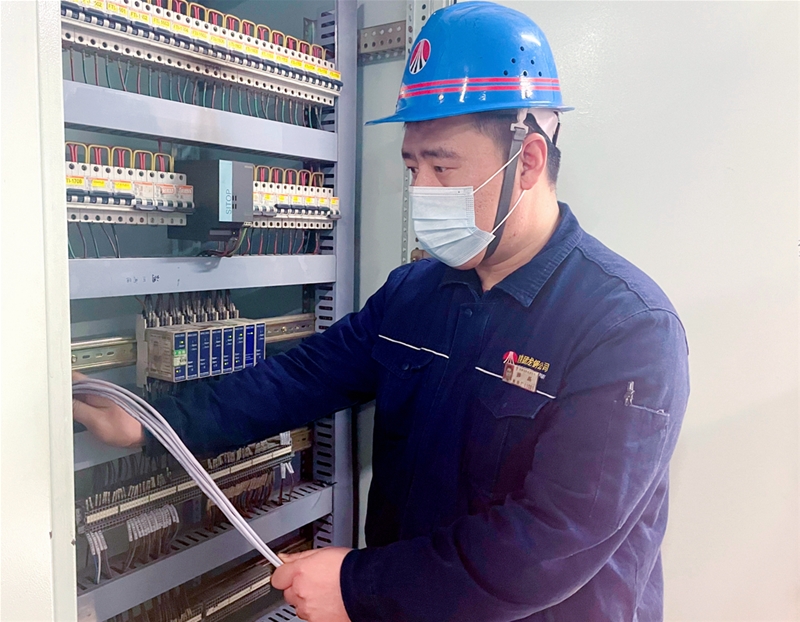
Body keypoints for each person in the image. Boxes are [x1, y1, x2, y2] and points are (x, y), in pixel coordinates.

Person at [73, 3, 690, 621]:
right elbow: (297, 379)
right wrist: (152, 423)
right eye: (412, 166)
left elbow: (548, 545)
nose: (421, 189)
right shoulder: (414, 296)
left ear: (527, 160)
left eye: (442, 166)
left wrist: (358, 586)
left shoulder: (625, 329)